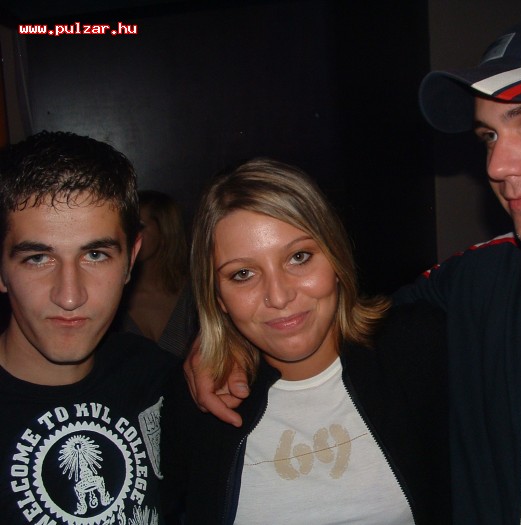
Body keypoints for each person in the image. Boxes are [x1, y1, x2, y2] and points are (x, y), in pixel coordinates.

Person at [187, 18, 521, 524]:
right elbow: (339, 322)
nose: (497, 165)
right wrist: (221, 344)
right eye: (489, 136)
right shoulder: (477, 279)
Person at [160, 158, 450, 524]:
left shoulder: (420, 350)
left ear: (336, 257)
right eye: (243, 274)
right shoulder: (196, 403)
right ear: (218, 297)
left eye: (299, 257)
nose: (278, 296)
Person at [0, 131, 177, 524]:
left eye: (95, 255)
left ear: (131, 259)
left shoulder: (158, 375)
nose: (69, 296)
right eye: (37, 258)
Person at [114, 190, 194, 358]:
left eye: (139, 226)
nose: (130, 234)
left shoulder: (195, 295)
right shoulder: (114, 295)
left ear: (165, 229)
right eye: (127, 226)